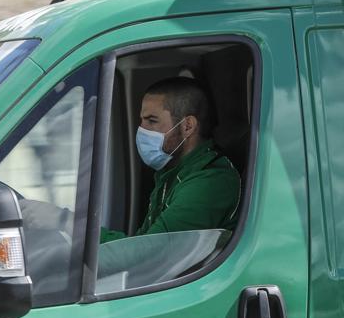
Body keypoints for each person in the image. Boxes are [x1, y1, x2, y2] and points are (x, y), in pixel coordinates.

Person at [101, 76, 241, 243]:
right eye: (142, 121)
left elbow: (148, 252)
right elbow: (142, 244)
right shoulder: (172, 173)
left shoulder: (210, 182)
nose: (141, 130)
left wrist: (80, 235)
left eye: (152, 121)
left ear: (187, 126)